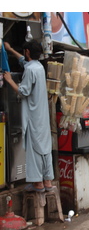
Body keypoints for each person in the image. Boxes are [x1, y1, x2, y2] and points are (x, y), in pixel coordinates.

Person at [4, 41, 54, 192]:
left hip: (33, 117)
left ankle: (38, 184)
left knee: (34, 149)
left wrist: (9, 80)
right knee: (45, 147)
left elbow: (23, 91)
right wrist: (11, 49)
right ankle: (47, 181)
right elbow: (24, 62)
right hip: (42, 116)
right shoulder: (38, 67)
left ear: (27, 51)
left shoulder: (30, 70)